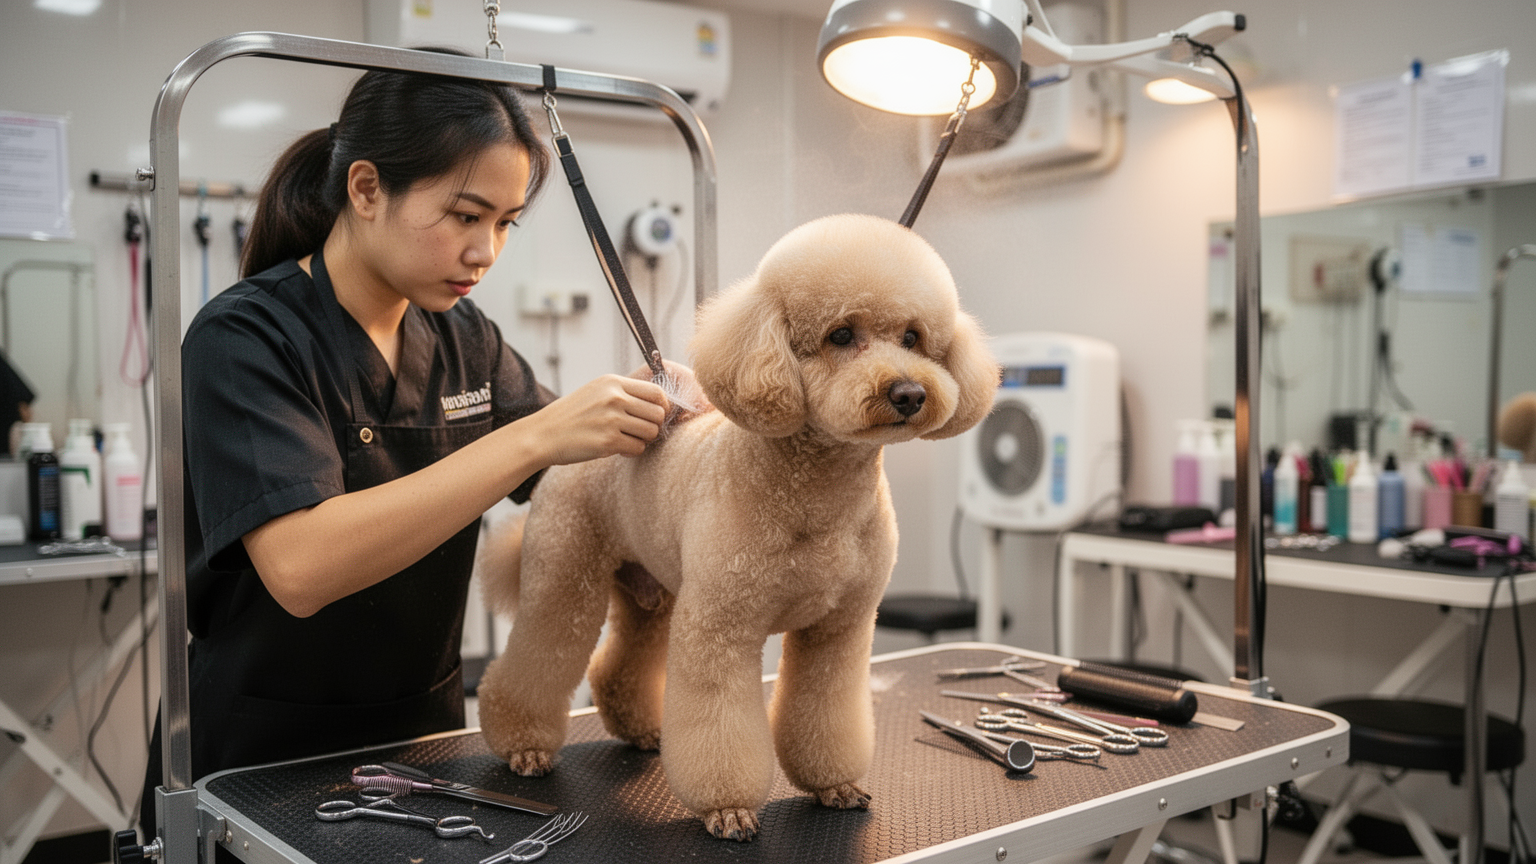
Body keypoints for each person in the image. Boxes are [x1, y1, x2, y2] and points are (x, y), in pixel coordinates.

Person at [137, 52, 678, 837]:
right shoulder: (245, 337)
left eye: (504, 222)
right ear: (365, 190)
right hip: (261, 759)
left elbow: (582, 479)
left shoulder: (466, 340)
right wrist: (533, 438)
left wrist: (676, 448)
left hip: (425, 745)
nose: (486, 251)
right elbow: (302, 566)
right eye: (465, 215)